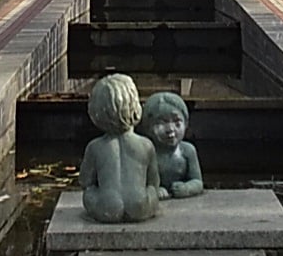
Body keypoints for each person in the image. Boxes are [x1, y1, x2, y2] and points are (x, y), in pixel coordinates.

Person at [79, 74, 161, 222]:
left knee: (88, 193)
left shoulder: (94, 147)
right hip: (140, 206)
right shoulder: (146, 145)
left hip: (107, 208)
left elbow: (85, 182)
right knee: (151, 191)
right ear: (135, 106)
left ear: (96, 112)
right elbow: (154, 182)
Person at [139, 91, 204, 198]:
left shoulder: (188, 151)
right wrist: (154, 189)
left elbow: (197, 181)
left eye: (177, 122)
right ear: (147, 127)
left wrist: (187, 188)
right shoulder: (146, 152)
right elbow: (139, 182)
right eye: (161, 123)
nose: (170, 129)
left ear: (186, 123)